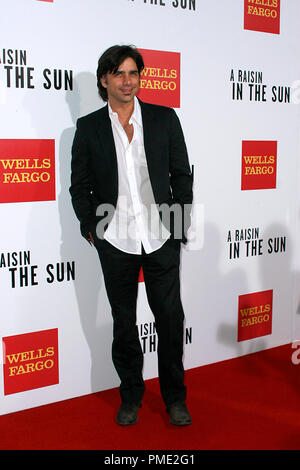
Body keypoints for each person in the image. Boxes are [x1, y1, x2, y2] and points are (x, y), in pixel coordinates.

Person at [70, 45, 193, 426]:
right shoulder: (89, 127)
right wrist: (92, 229)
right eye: (119, 74)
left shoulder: (163, 118)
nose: (128, 81)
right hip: (116, 240)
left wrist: (178, 225)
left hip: (160, 237)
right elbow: (80, 187)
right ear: (104, 79)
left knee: (170, 320)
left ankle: (175, 398)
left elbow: (181, 176)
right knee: (123, 322)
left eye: (133, 73)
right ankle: (131, 396)